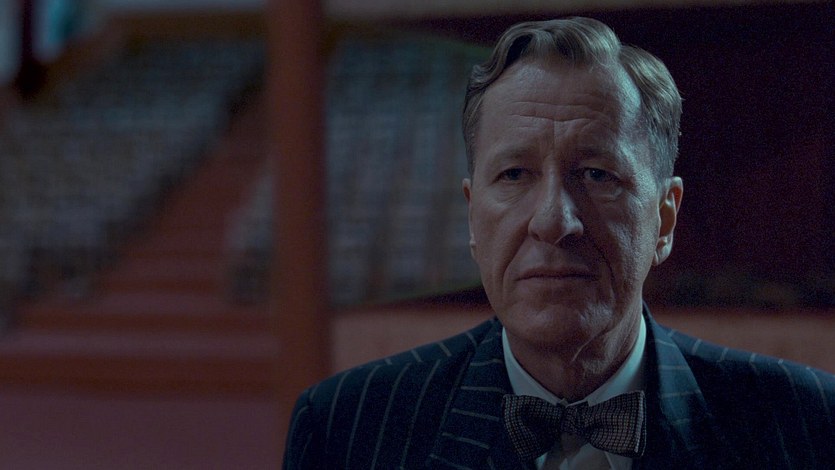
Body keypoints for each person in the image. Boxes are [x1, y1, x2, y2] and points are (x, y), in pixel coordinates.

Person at [283, 17, 835, 469]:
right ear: (473, 217)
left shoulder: (809, 425)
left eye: (596, 174)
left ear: (664, 218)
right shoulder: (347, 429)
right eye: (515, 175)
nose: (553, 221)